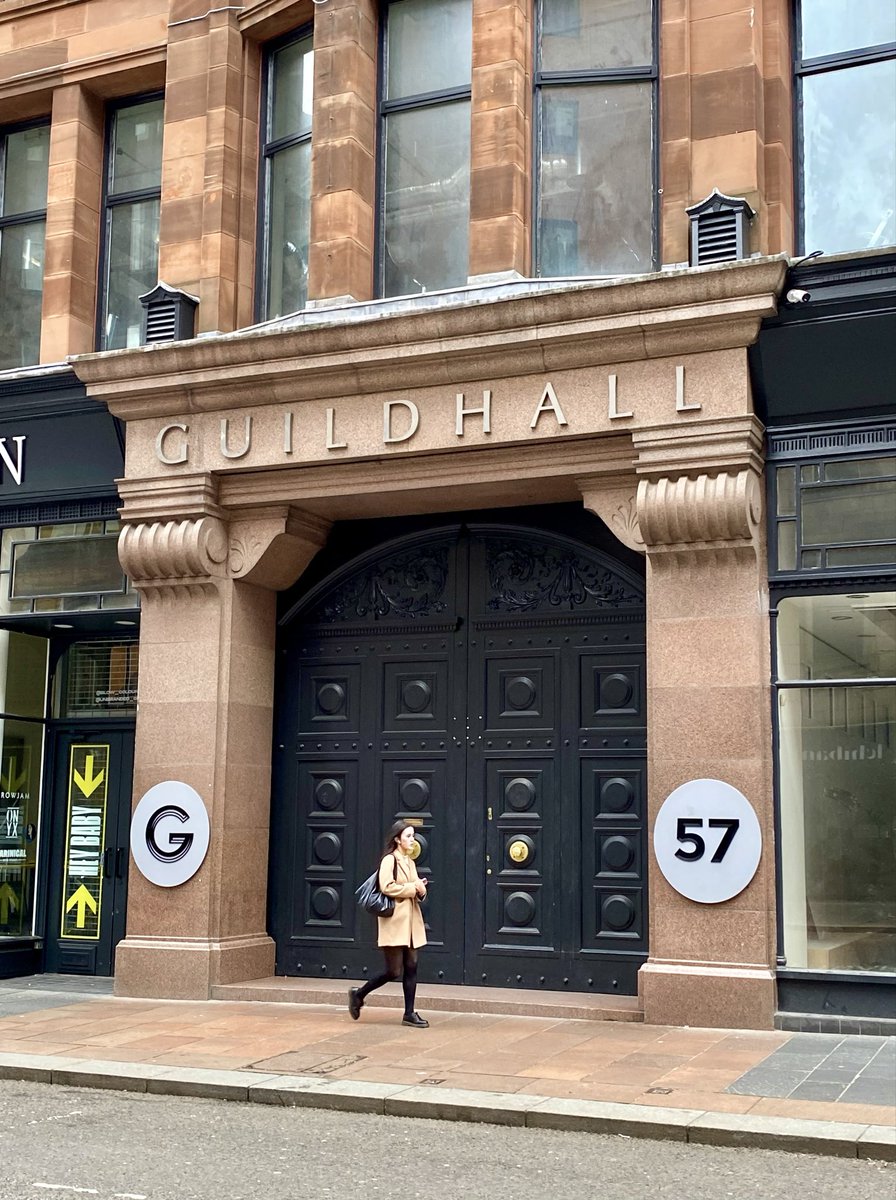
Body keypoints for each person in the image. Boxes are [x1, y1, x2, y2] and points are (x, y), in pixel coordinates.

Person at [348, 821, 429, 1027]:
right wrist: (413, 887)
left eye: (413, 836)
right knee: (393, 970)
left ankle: (409, 1013)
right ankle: (359, 994)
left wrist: (420, 889)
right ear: (397, 839)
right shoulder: (389, 861)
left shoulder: (409, 862)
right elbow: (386, 887)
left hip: (411, 923)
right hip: (394, 922)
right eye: (408, 836)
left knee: (412, 966)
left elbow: (414, 887)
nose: (413, 840)